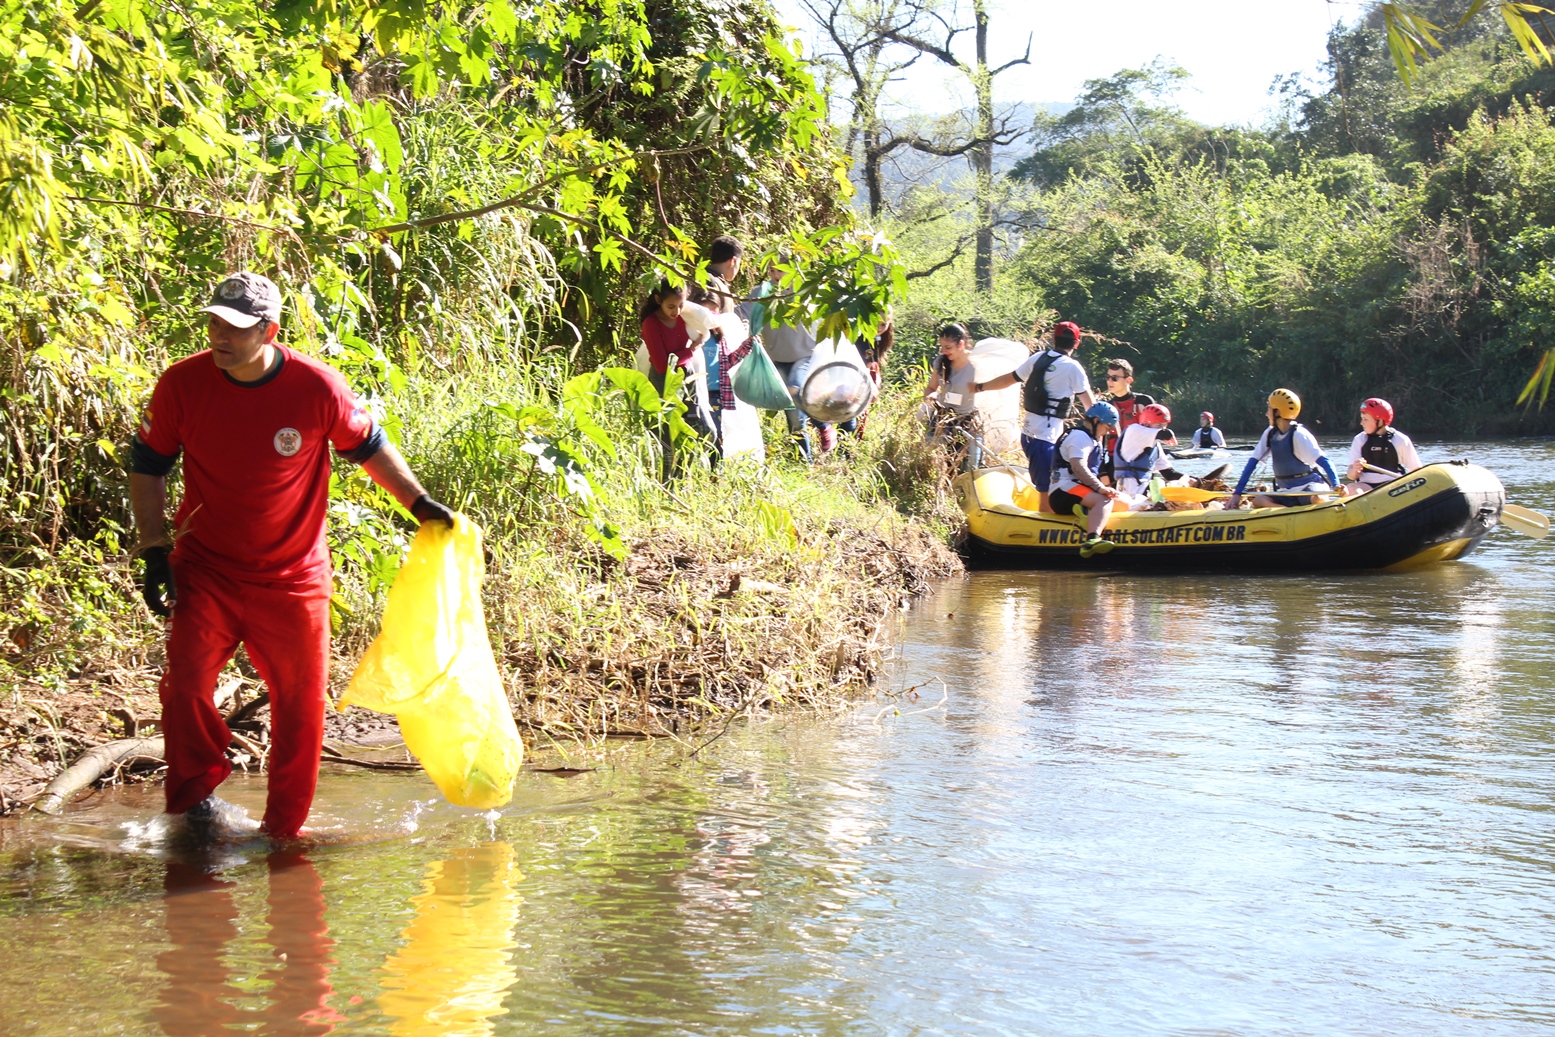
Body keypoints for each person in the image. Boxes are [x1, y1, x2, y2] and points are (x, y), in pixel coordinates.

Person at [129, 272, 454, 841]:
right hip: (206, 567)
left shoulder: (315, 387)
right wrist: (155, 548)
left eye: (233, 327)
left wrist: (420, 503)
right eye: (213, 323)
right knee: (183, 684)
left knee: (300, 709)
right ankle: (196, 804)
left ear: (269, 330)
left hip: (293, 577)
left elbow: (369, 448)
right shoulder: (182, 385)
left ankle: (281, 834)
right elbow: (148, 464)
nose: (218, 336)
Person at [971, 320, 1094, 513]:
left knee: (1052, 487)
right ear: (1077, 343)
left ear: (1054, 340)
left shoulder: (1037, 358)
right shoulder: (1072, 367)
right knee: (1046, 494)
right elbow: (1091, 408)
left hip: (1029, 437)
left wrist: (980, 386)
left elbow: (1007, 380)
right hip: (1045, 440)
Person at [1227, 388, 1341, 509]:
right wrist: (1237, 493)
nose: (1266, 414)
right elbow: (1252, 463)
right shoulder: (1270, 434)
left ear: (1277, 412)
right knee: (1258, 500)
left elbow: (1325, 461)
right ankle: (1283, 511)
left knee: (1319, 498)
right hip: (1286, 491)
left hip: (1308, 487)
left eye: (1269, 409)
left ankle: (1295, 511)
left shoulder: (1299, 434)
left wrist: (1336, 484)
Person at [756, 266, 820, 461]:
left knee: (794, 389)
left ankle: (823, 425)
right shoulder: (762, 293)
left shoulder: (807, 291)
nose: (775, 276)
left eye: (780, 271)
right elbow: (743, 314)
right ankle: (804, 461)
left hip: (806, 356)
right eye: (771, 271)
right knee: (793, 414)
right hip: (778, 358)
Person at [1048, 401, 1124, 557]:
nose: (1107, 431)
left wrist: (1106, 488)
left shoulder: (1093, 439)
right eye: (1107, 427)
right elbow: (1078, 467)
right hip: (1063, 490)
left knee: (1125, 502)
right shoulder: (1079, 437)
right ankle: (1092, 540)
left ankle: (1086, 512)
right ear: (1096, 421)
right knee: (1104, 500)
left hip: (1078, 488)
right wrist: (1100, 488)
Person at [922, 328, 982, 471]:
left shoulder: (977, 364)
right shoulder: (941, 362)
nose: (943, 351)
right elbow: (931, 387)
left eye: (948, 347)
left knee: (972, 466)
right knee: (937, 465)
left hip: (968, 419)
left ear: (961, 344)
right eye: (941, 347)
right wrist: (930, 397)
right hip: (943, 418)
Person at [1342, 397, 1423, 496]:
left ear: (1380, 421)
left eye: (1366, 419)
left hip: (1393, 485)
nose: (1361, 423)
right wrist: (1355, 469)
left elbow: (1416, 471)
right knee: (1351, 488)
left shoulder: (1400, 440)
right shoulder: (1359, 440)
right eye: (1362, 419)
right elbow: (1351, 476)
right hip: (1366, 486)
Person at [639, 280, 698, 396]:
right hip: (663, 382)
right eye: (671, 306)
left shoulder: (684, 316)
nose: (677, 311)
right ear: (658, 300)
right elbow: (662, 366)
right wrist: (691, 350)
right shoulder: (651, 324)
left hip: (687, 375)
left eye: (681, 305)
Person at [1099, 358, 1156, 476]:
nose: (1110, 381)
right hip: (1113, 463)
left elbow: (1155, 434)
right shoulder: (1106, 407)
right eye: (1108, 377)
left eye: (1114, 378)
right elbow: (1098, 444)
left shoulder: (1144, 402)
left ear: (1128, 380)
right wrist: (1102, 472)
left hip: (1141, 462)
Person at [1112, 402, 1175, 498]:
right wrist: (1169, 434)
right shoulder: (1134, 430)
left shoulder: (1156, 445)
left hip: (1143, 490)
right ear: (1146, 423)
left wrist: (1194, 480)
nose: (1163, 428)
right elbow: (1165, 434)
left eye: (1165, 425)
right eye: (1159, 425)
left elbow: (1169, 474)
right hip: (1128, 488)